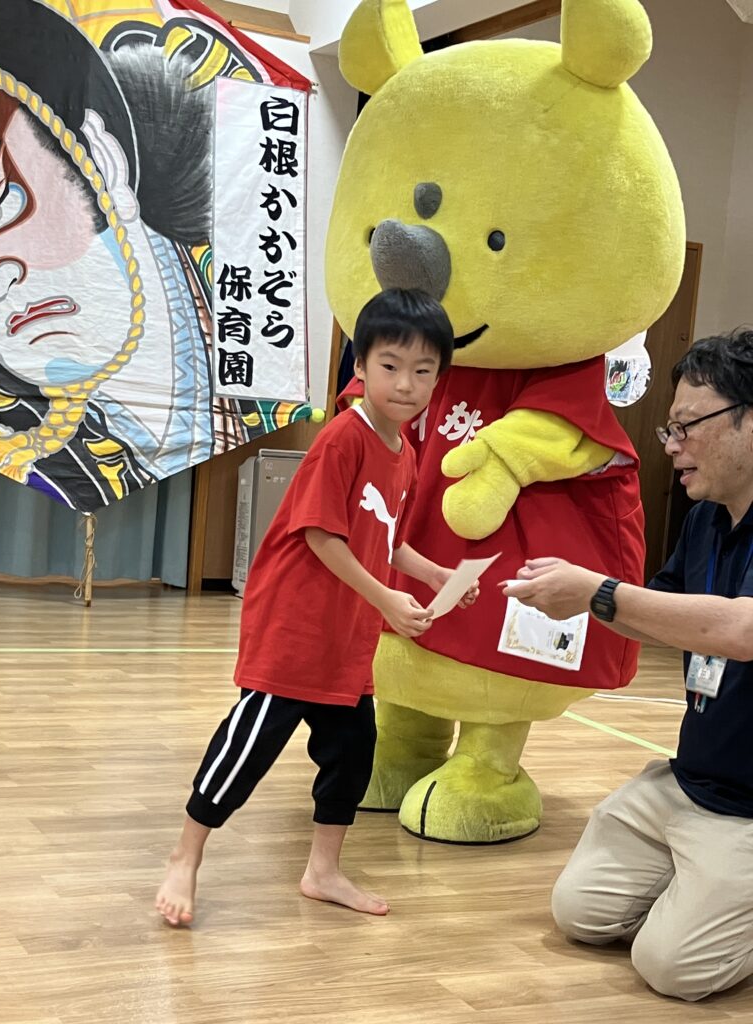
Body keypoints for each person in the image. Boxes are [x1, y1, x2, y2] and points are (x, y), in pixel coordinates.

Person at [156, 288, 478, 926]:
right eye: (390, 366)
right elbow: (320, 536)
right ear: (361, 365)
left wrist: (434, 573)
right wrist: (387, 597)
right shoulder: (343, 439)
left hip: (346, 637)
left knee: (352, 754)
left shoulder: (405, 454)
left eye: (423, 371)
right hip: (295, 629)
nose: (406, 384)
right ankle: (185, 855)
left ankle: (323, 870)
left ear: (439, 377)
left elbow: (387, 537)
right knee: (247, 748)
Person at [501, 328, 753, 1001]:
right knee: (579, 913)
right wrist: (565, 600)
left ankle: (713, 892)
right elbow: (658, 609)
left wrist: (598, 592)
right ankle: (703, 885)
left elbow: (741, 629)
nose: (671, 445)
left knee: (674, 970)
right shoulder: (706, 518)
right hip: (689, 781)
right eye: (671, 429)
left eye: (686, 426)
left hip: (748, 810)